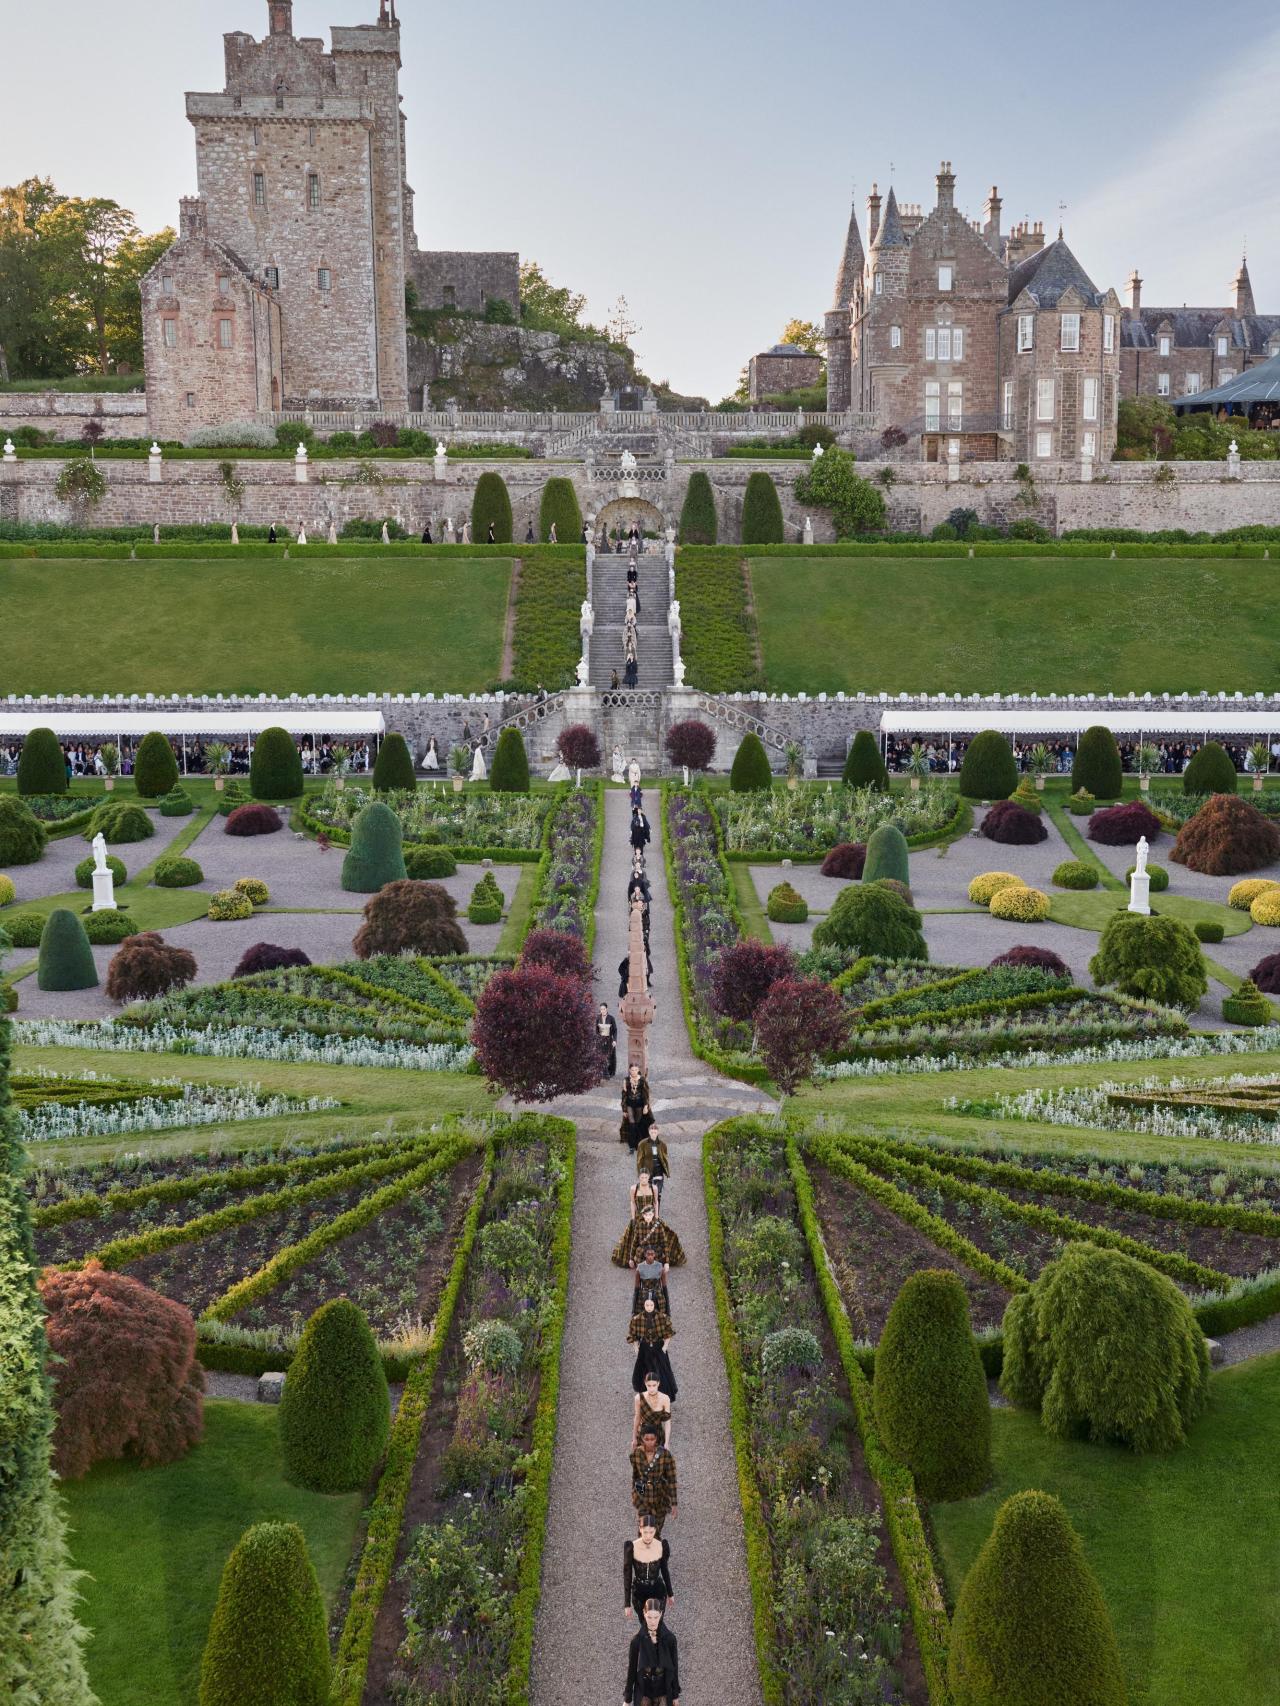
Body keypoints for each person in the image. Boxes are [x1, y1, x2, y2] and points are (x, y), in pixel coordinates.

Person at [623, 1600, 681, 1705]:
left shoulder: (670, 1639)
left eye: (656, 1617)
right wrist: (627, 1699)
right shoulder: (636, 1641)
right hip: (644, 1692)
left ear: (661, 1614)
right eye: (649, 1617)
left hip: (663, 1691)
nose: (653, 1622)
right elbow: (632, 1669)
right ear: (644, 1614)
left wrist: (675, 1695)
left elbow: (674, 1667)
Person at [629, 1421, 677, 1533]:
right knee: (644, 1530)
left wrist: (674, 1503)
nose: (650, 1442)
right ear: (642, 1439)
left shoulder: (665, 1455)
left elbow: (672, 1479)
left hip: (660, 1497)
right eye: (646, 1439)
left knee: (656, 1530)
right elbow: (635, 1475)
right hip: (643, 1498)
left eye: (652, 1439)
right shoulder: (636, 1454)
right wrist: (634, 1493)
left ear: (657, 1439)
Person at [624, 1519, 674, 1618]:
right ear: (640, 1529)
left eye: (651, 1532)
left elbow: (664, 1570)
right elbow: (627, 1575)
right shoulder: (632, 1547)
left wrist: (670, 1593)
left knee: (657, 1622)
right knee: (645, 1623)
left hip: (658, 1591)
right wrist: (627, 1604)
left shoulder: (661, 1546)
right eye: (645, 1532)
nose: (648, 1536)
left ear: (655, 1530)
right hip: (639, 1593)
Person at [619, 1065, 652, 1150]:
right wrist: (624, 1110)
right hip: (630, 1104)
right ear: (629, 1070)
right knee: (632, 1124)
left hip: (639, 1105)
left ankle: (638, 1143)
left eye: (635, 1070)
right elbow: (624, 1095)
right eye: (632, 1070)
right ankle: (631, 1145)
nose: (633, 1072)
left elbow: (645, 1094)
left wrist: (646, 1106)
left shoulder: (642, 1080)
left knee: (638, 1123)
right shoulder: (626, 1080)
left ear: (638, 1070)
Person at [635, 1126, 669, 1205]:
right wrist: (640, 1173)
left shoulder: (662, 1144)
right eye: (652, 1132)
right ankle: (648, 1209)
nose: (653, 1134)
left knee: (658, 1193)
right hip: (647, 1171)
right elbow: (639, 1160)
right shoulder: (642, 1144)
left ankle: (656, 1211)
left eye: (655, 1132)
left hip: (659, 1171)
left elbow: (665, 1158)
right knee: (648, 1192)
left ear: (658, 1132)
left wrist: (667, 1171)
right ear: (649, 1132)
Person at [597, 1002, 618, 1077]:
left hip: (609, 1039)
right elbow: (596, 1030)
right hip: (601, 1039)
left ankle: (611, 1072)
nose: (602, 1011)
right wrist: (597, 1039)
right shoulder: (598, 1018)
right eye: (601, 1009)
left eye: (604, 1009)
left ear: (607, 1009)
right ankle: (603, 1072)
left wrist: (614, 1040)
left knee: (611, 1056)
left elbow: (615, 1030)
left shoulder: (611, 1018)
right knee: (601, 1056)